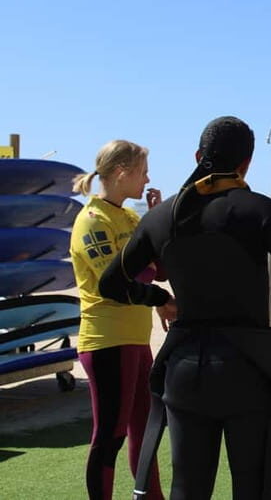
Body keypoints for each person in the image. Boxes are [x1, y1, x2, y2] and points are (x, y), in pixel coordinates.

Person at [98, 116, 271, 499]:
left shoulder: (163, 216)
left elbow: (110, 283)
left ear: (198, 156)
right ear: (246, 164)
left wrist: (158, 298)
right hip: (245, 371)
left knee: (187, 489)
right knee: (252, 487)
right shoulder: (258, 210)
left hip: (184, 369)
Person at [69, 139, 165, 500]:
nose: (148, 178)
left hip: (137, 340)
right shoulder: (91, 221)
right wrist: (160, 297)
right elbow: (122, 282)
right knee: (110, 434)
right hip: (107, 341)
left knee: (146, 431)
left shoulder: (129, 216)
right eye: (142, 171)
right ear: (122, 173)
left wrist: (156, 221)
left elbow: (158, 270)